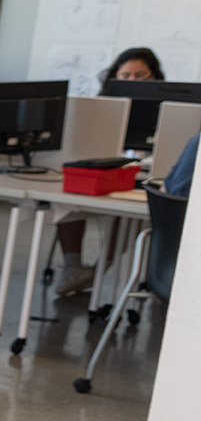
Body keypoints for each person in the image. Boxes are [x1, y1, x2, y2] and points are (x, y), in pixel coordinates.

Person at [56, 46, 165, 296]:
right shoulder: (102, 105)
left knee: (129, 211)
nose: (132, 82)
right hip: (103, 170)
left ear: (155, 77)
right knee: (68, 201)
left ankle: (100, 267)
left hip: (140, 173)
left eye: (140, 76)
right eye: (125, 76)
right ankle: (72, 268)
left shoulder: (168, 107)